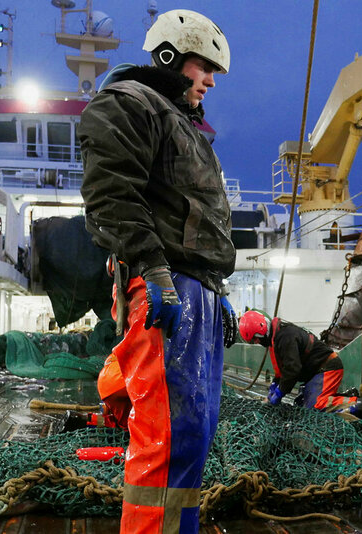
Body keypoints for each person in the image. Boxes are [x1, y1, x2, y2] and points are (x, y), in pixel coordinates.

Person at [77, 9, 237, 534]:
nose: (211, 80)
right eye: (205, 67)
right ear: (170, 57)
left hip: (198, 291)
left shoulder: (185, 126)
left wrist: (217, 292)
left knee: (193, 433)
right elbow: (111, 194)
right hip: (167, 287)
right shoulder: (132, 103)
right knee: (166, 438)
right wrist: (153, 268)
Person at [238, 310, 362, 423]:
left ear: (260, 330)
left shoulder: (284, 337)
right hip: (316, 373)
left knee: (315, 407)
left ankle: (360, 403)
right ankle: (345, 397)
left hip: (327, 368)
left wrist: (280, 392)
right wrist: (275, 384)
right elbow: (283, 368)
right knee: (301, 404)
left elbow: (293, 369)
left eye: (256, 339)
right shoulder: (277, 337)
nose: (257, 342)